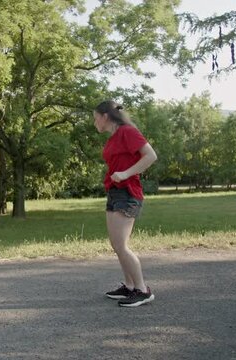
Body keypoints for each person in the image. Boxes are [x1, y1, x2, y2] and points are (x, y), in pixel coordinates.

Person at [93, 100, 157, 307]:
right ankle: (129, 287)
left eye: (96, 119)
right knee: (116, 245)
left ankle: (142, 290)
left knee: (121, 245)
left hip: (128, 193)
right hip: (115, 192)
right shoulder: (114, 137)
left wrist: (127, 173)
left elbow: (151, 156)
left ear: (105, 116)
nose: (95, 123)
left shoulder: (127, 131)